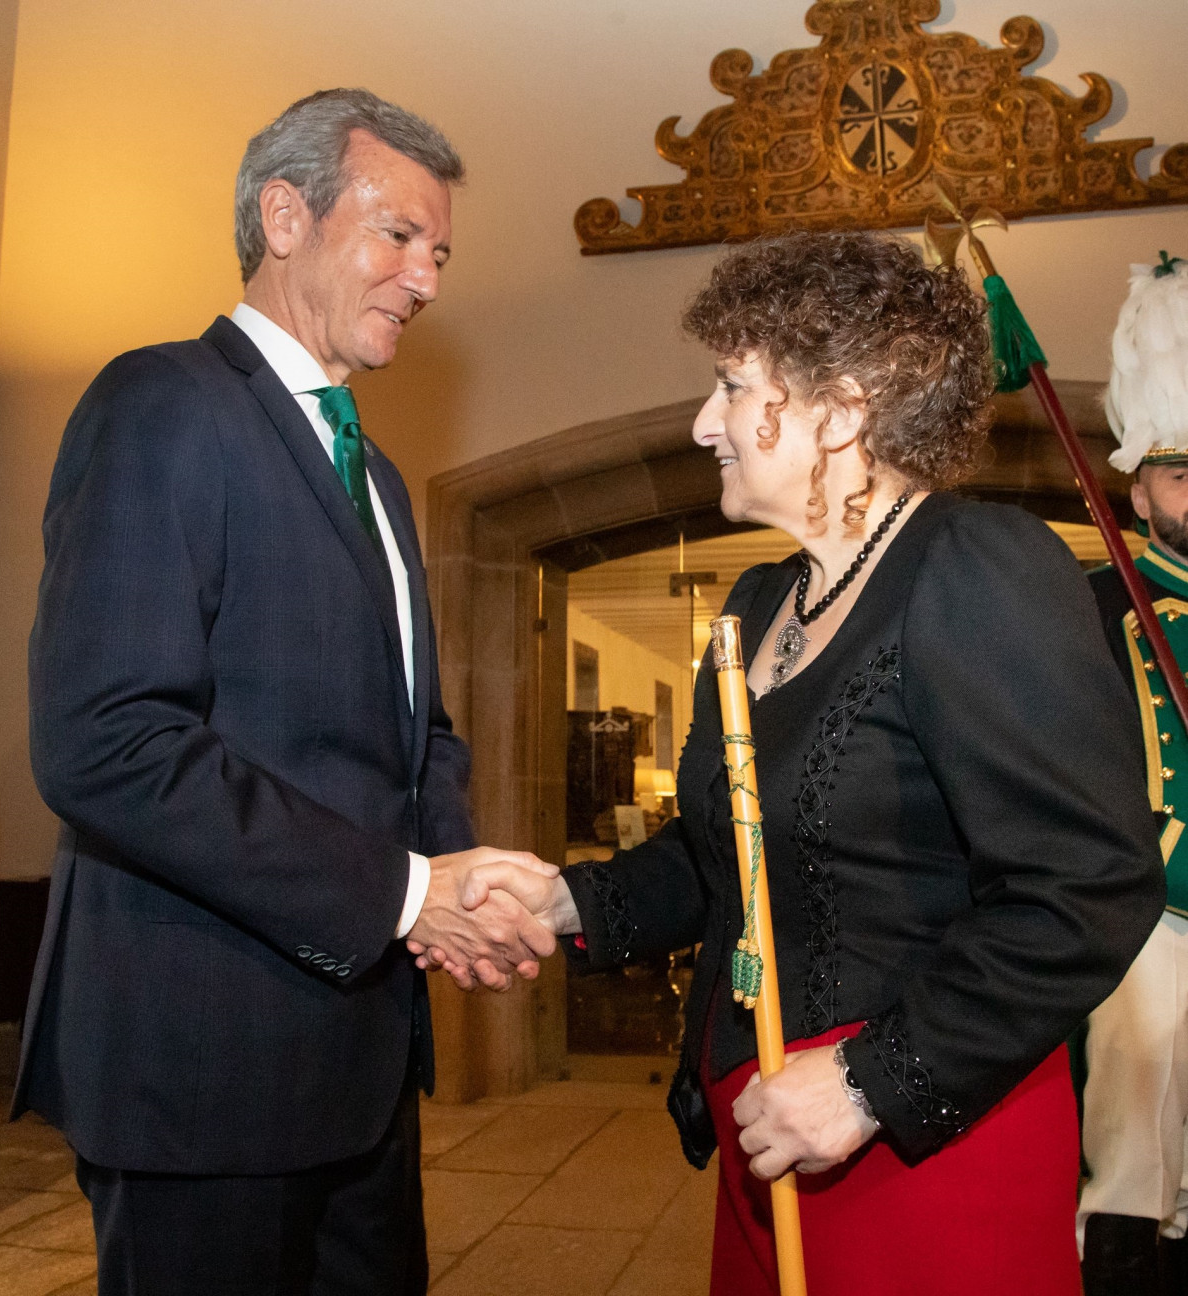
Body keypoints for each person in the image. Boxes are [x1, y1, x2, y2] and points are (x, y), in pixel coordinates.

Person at [443, 231, 1167, 1295]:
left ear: (840, 409)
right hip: (770, 1119)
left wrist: (868, 1085)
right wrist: (561, 902)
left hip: (922, 1141)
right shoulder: (754, 605)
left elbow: (1087, 887)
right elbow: (719, 859)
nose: (703, 423)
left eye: (732, 385)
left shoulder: (977, 572)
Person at [17, 88, 556, 1296]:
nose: (425, 279)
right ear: (283, 215)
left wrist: (457, 879)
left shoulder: (375, 469)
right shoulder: (162, 404)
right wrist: (408, 892)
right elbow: (107, 741)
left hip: (355, 1064)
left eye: (440, 252)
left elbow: (417, 732)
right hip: (202, 1069)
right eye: (398, 236)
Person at [1078, 252, 1188, 1296]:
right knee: (1130, 1164)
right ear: (1136, 483)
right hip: (1145, 919)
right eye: (1179, 471)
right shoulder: (1086, 611)